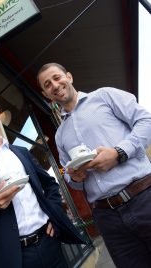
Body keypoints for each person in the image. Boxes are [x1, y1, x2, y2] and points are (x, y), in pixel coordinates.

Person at [0, 95, 85, 268]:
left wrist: (53, 216)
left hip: (50, 243)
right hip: (13, 256)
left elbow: (50, 184)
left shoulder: (21, 152)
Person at [37, 62, 151, 268]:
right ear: (46, 94)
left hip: (144, 197)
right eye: (47, 84)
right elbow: (69, 176)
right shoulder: (60, 135)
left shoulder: (105, 96)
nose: (54, 85)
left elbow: (146, 121)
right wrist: (75, 177)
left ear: (69, 77)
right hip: (108, 218)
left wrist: (118, 153)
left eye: (57, 77)